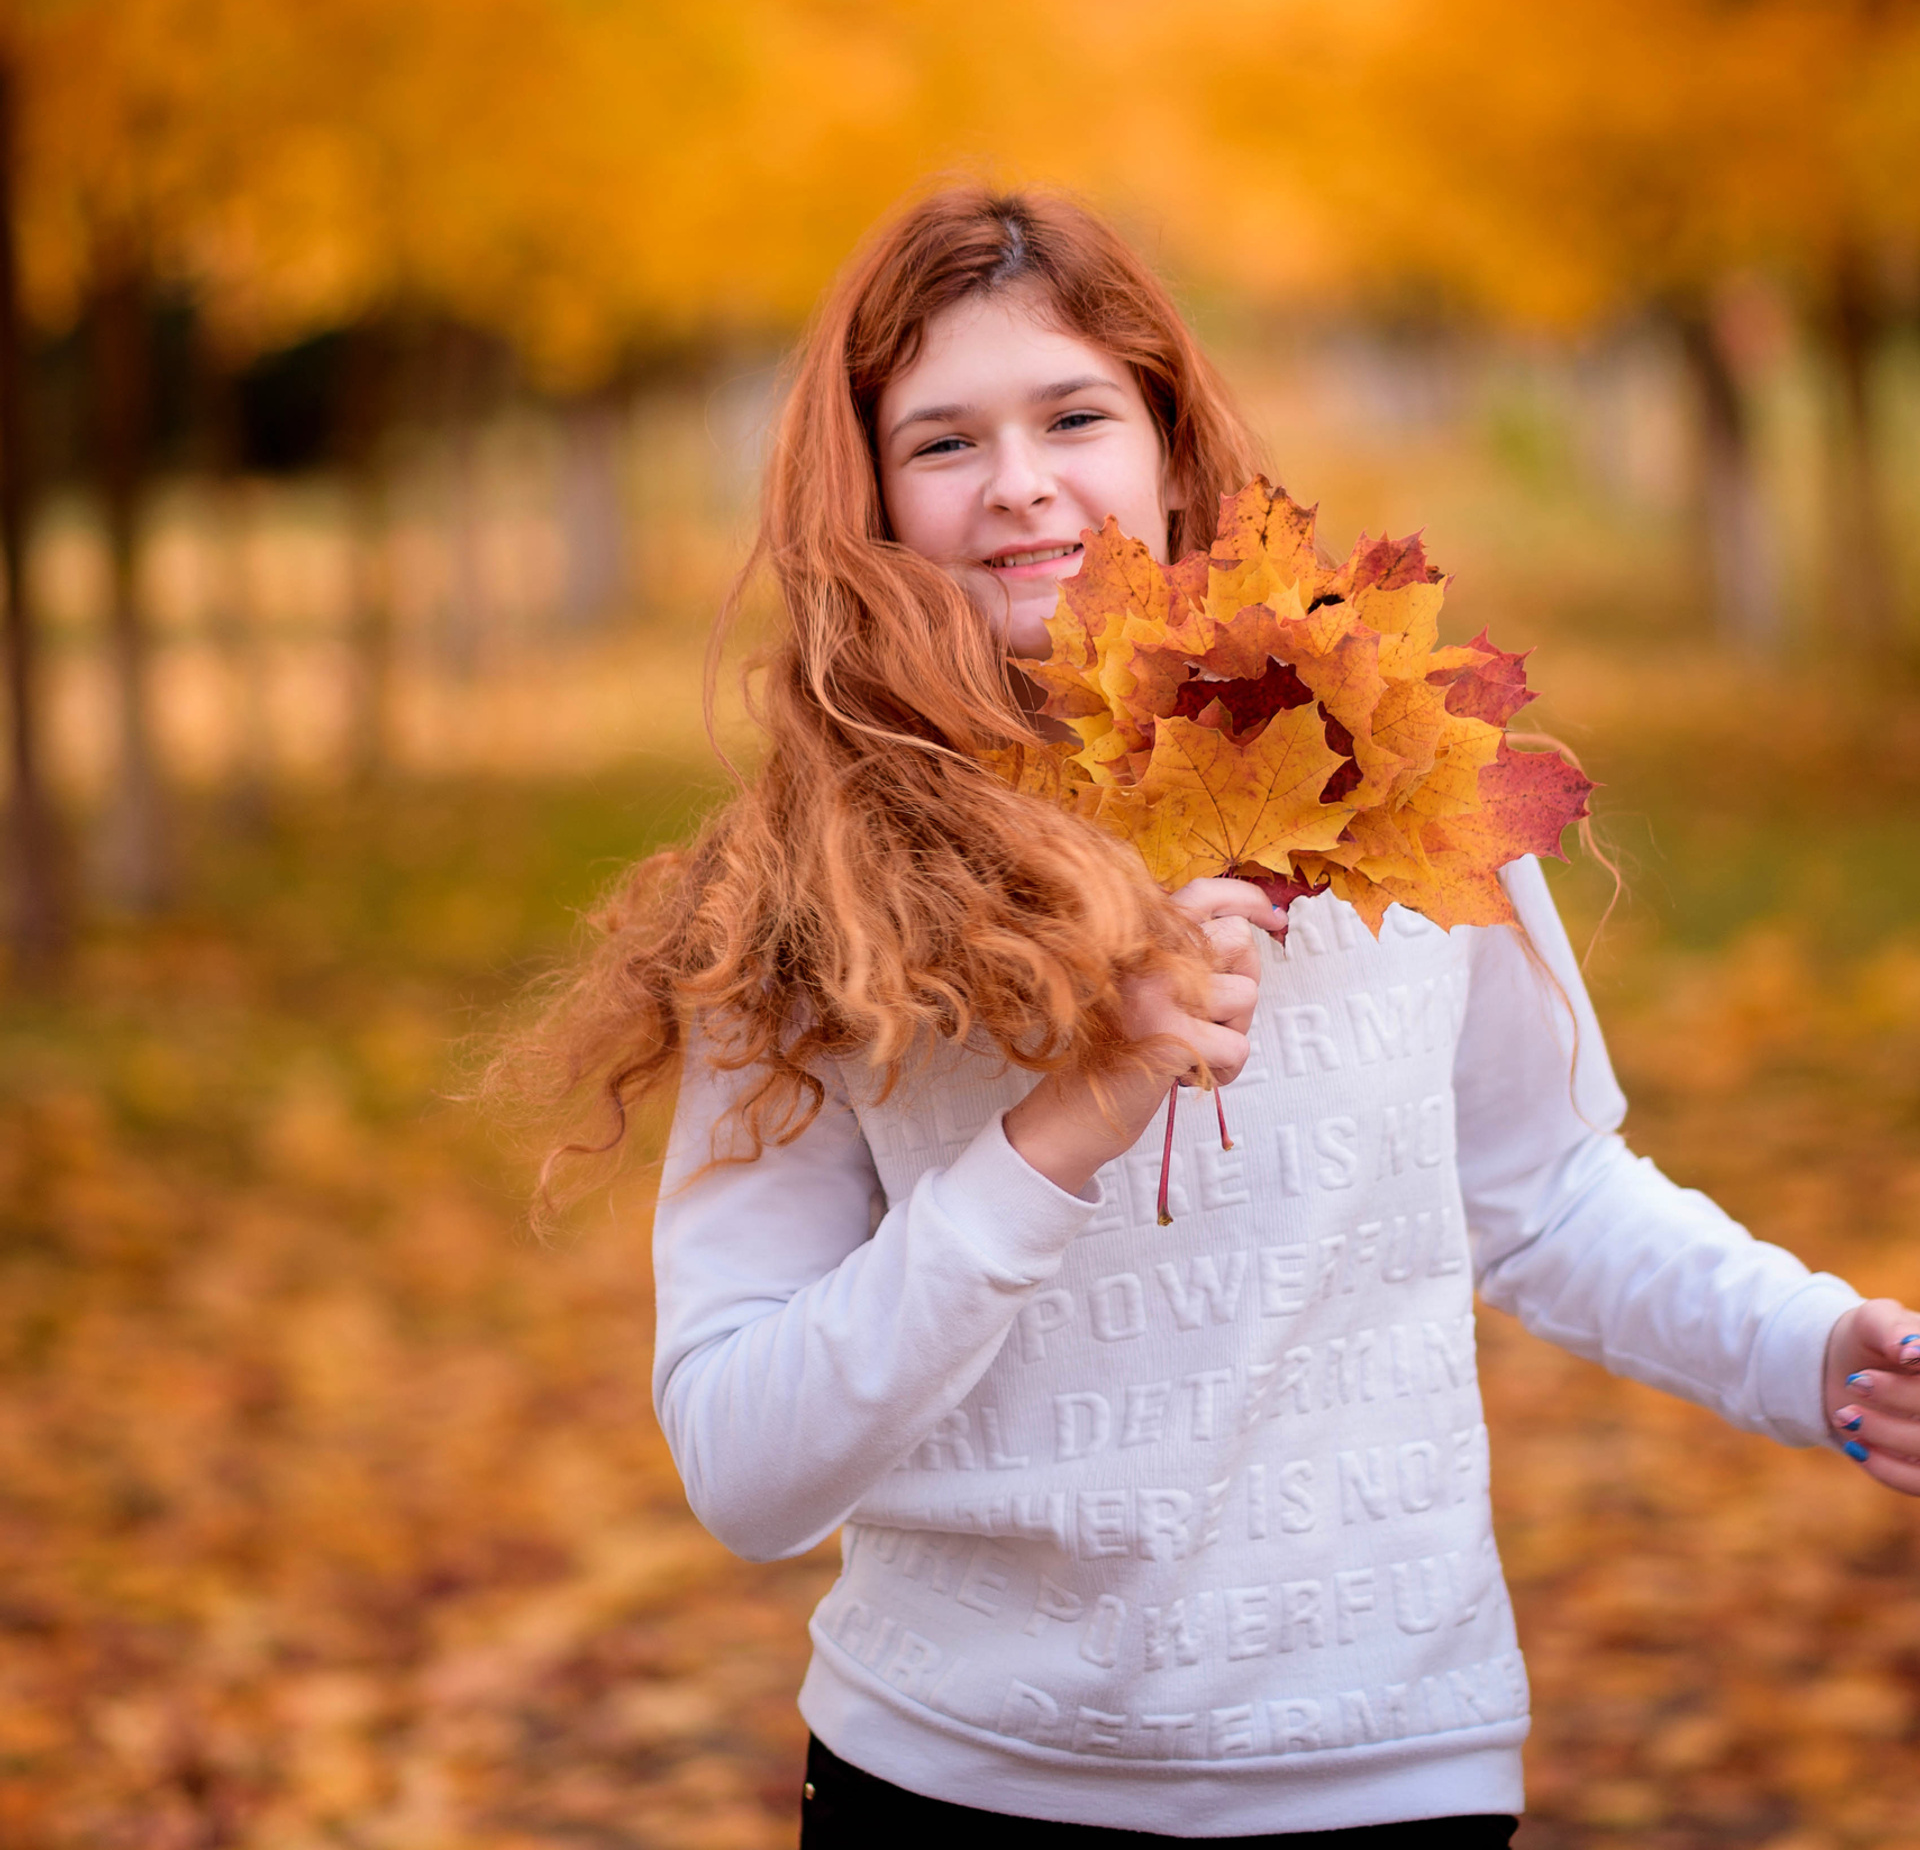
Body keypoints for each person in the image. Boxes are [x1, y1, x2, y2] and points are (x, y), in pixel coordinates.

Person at [513, 187, 1920, 1845]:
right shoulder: (821, 893)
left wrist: (1819, 1353)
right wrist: (1058, 1129)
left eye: (1073, 415)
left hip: (1384, 1763)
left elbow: (1545, 1199)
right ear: (872, 502)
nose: (1022, 481)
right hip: (955, 1778)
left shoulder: (1385, 771)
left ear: (1172, 451)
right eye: (944, 442)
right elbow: (747, 1469)